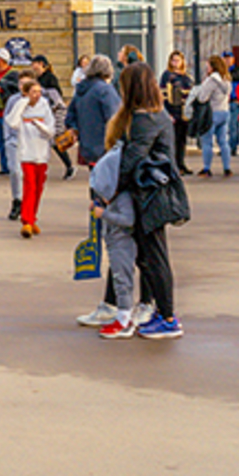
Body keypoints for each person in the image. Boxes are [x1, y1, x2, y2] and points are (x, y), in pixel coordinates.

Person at [101, 63, 182, 340]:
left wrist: (109, 189)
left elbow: (133, 159)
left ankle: (168, 317)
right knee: (148, 256)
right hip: (154, 193)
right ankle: (157, 311)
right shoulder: (156, 115)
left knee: (154, 257)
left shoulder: (144, 120)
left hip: (149, 196)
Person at [86, 142, 138, 337]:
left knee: (122, 280)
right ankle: (123, 314)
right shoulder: (115, 197)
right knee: (119, 279)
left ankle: (124, 317)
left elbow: (127, 220)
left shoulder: (123, 198)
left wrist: (104, 214)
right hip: (114, 243)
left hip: (122, 244)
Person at [7, 74, 55, 236]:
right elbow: (12, 123)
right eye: (33, 92)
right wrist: (22, 104)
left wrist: (39, 125)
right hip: (26, 153)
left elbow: (51, 130)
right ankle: (26, 220)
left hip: (42, 153)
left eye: (39, 91)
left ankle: (32, 218)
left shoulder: (44, 106)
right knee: (29, 186)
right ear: (26, 93)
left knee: (39, 188)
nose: (37, 95)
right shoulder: (20, 105)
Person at [64, 55, 120, 180]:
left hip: (87, 146)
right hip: (105, 146)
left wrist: (75, 129)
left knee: (95, 180)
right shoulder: (105, 90)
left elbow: (70, 116)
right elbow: (114, 117)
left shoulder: (81, 90)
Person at [189, 54, 234, 178]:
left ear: (213, 67)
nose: (206, 67)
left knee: (207, 142)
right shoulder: (227, 79)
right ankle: (227, 168)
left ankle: (207, 168)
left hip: (212, 113)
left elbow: (203, 98)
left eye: (208, 65)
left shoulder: (212, 80)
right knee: (223, 142)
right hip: (224, 111)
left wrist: (200, 89)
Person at [160, 52, 195, 171]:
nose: (175, 63)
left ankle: (181, 163)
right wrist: (167, 113)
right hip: (173, 112)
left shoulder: (187, 77)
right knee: (173, 140)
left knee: (182, 140)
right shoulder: (167, 76)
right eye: (173, 60)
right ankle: (173, 165)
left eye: (178, 60)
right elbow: (163, 96)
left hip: (184, 113)